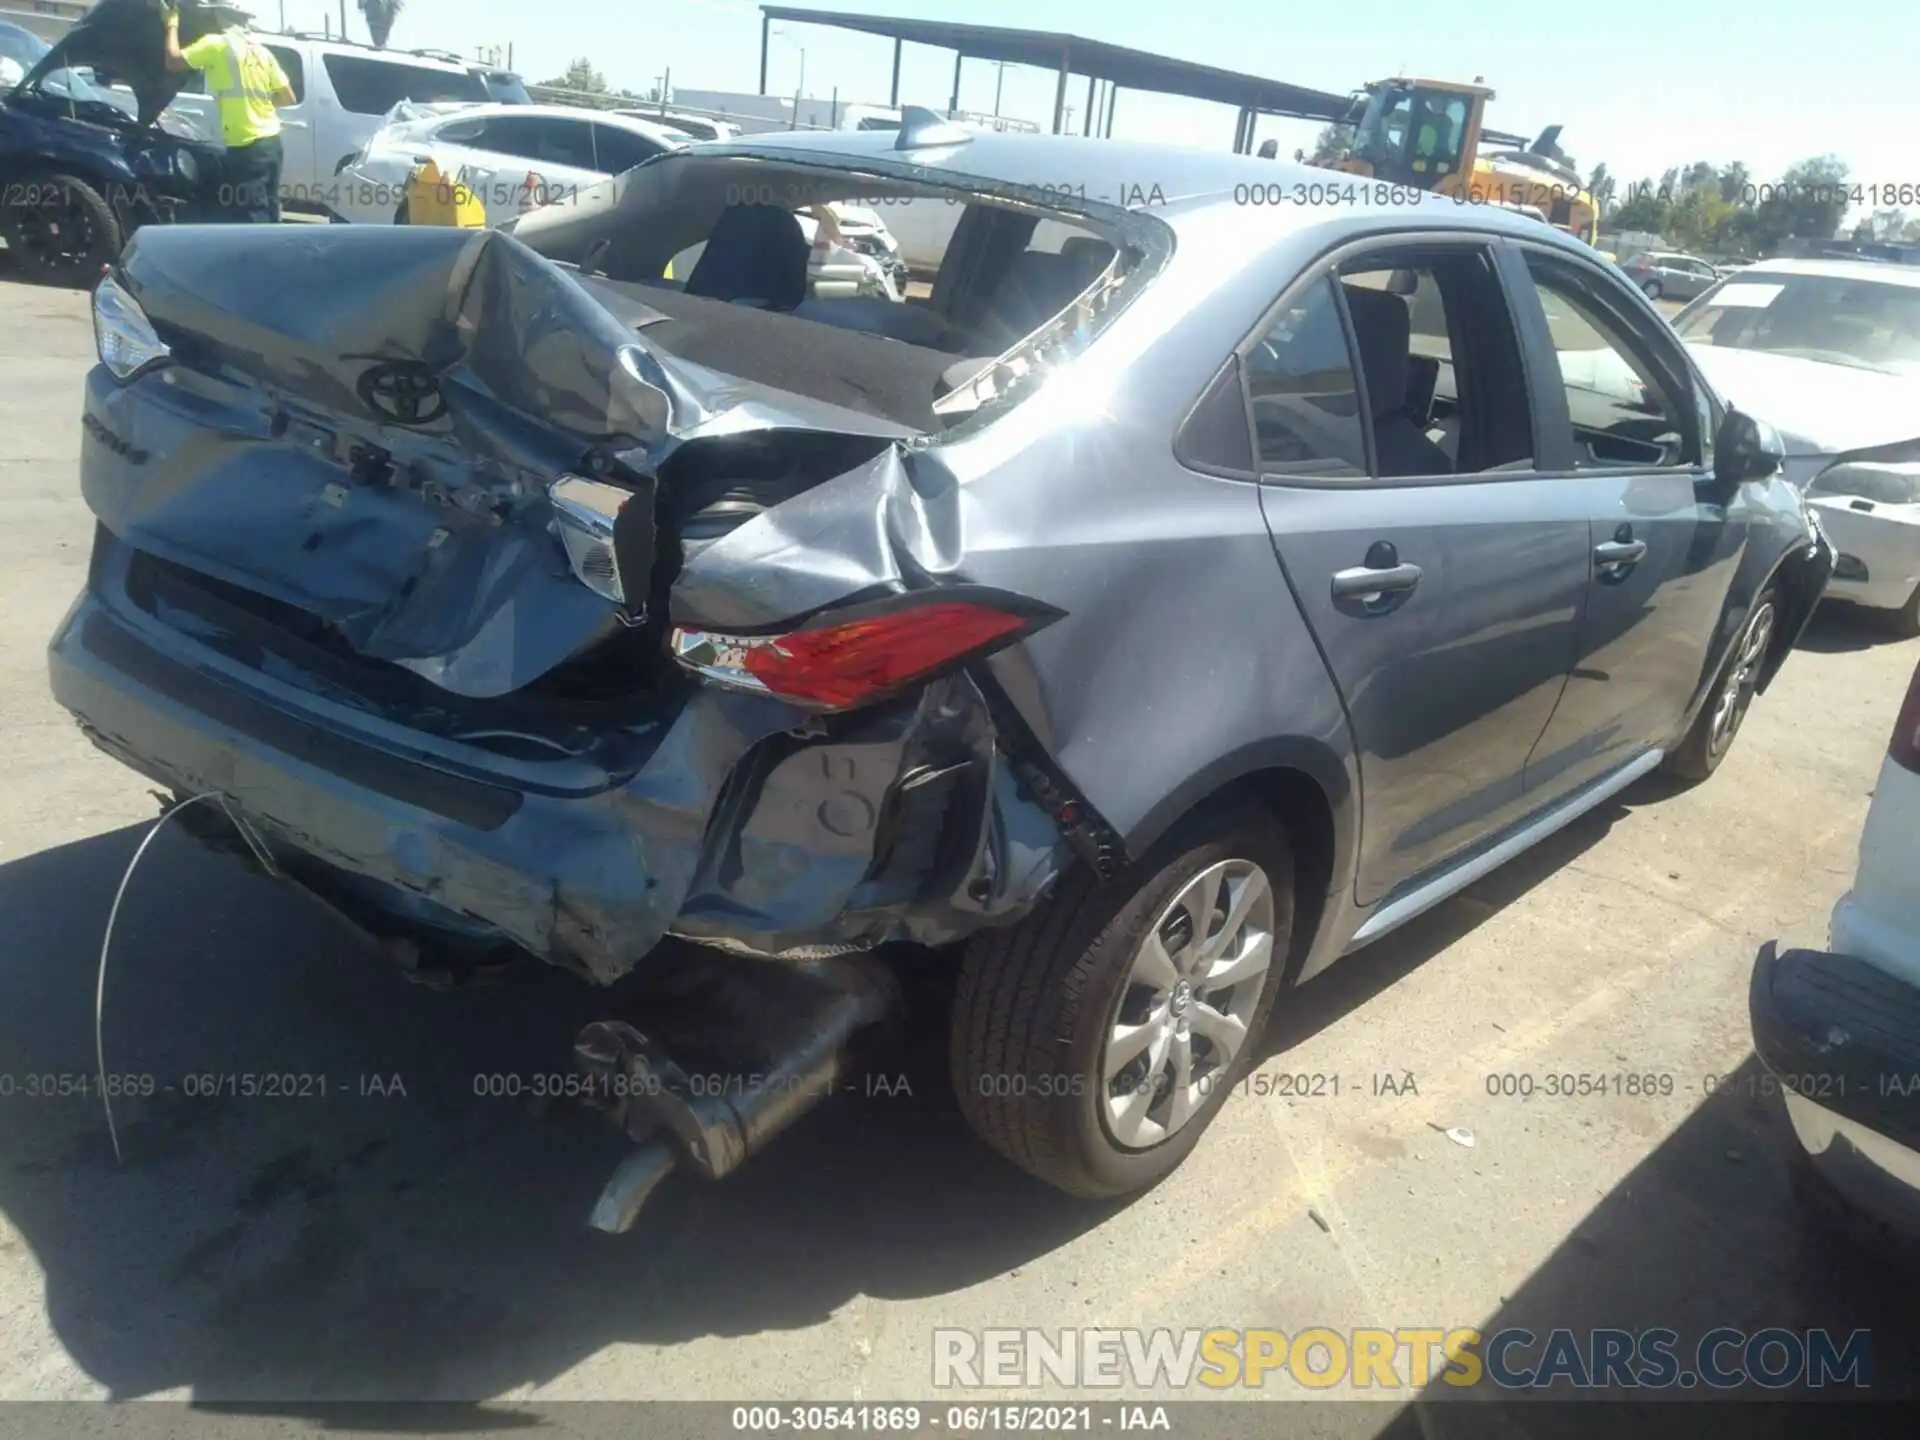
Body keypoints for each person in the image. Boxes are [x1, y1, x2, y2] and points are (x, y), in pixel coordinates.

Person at [161, 4, 294, 222]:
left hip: (247, 145)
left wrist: (171, 23)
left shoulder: (217, 44)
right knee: (269, 210)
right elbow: (288, 97)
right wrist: (256, 104)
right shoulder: (261, 51)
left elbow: (173, 61)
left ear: (218, 17)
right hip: (272, 143)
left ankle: (256, 256)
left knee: (251, 216)